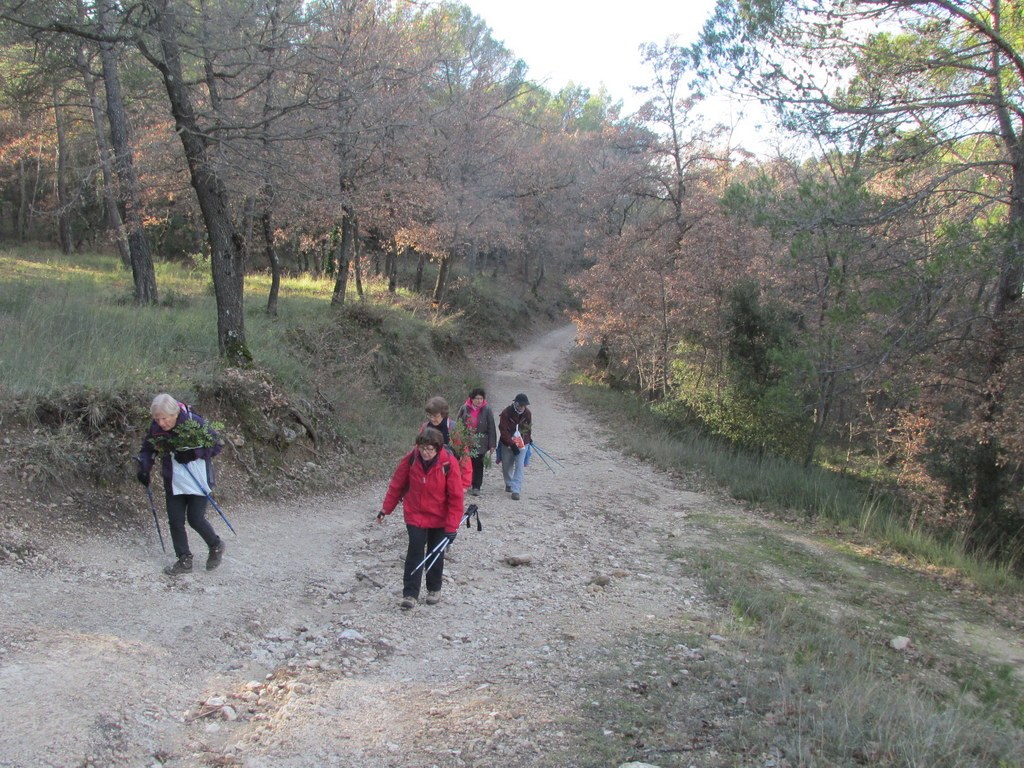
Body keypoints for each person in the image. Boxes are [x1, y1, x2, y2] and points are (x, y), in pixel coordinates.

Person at [136, 393, 226, 575]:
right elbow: (148, 449)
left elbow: (216, 445)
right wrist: (144, 468)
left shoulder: (195, 422)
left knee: (195, 519)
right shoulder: (156, 428)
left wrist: (193, 454)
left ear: (175, 413)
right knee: (175, 520)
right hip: (174, 479)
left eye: (164, 418)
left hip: (198, 480)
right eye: (157, 419)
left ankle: (216, 545)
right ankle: (184, 559)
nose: (161, 423)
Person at [377, 427, 464, 609]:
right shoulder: (411, 459)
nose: (425, 452)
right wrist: (386, 509)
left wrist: (451, 527)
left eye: (429, 449)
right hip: (415, 513)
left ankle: (434, 588)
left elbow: (456, 497)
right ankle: (410, 594)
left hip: (440, 516)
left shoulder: (449, 463)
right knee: (415, 550)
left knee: (435, 553)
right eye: (422, 448)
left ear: (438, 448)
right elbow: (397, 484)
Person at [456, 387, 497, 497]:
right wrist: (457, 439)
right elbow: (458, 423)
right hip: (466, 439)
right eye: (477, 398)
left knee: (478, 462)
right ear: (472, 399)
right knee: (466, 461)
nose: (479, 401)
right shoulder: (464, 408)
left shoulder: (487, 410)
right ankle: (465, 483)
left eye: (481, 398)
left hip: (481, 440)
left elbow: (491, 427)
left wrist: (492, 444)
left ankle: (476, 486)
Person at [498, 393, 533, 501]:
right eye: (521, 405)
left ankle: (516, 489)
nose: (522, 407)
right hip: (507, 443)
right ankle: (509, 483)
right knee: (507, 465)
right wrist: (511, 443)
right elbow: (502, 429)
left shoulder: (527, 413)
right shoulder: (506, 412)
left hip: (522, 444)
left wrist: (528, 439)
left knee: (519, 466)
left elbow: (528, 428)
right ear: (516, 403)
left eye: (524, 405)